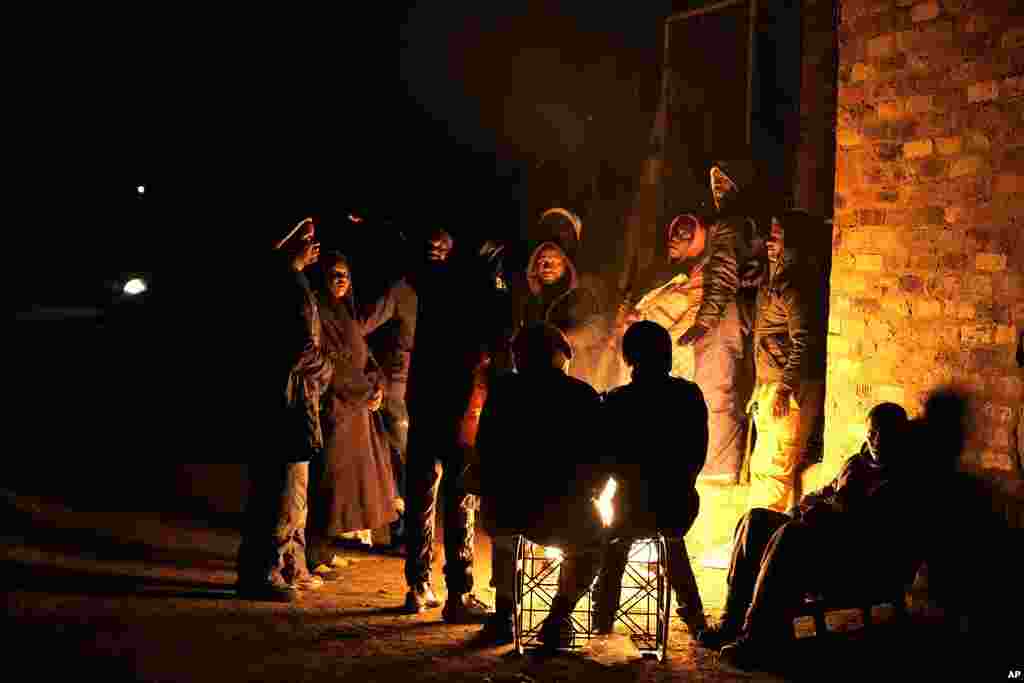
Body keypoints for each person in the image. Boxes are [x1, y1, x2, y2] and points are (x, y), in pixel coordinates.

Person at [697, 403, 917, 673]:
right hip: (823, 536)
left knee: (791, 535)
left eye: (885, 434)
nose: (876, 440)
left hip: (853, 559)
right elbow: (822, 493)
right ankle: (731, 621)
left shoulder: (903, 481)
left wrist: (824, 515)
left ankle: (757, 638)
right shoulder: (858, 462)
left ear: (899, 435)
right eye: (872, 433)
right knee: (754, 521)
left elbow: (867, 527)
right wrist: (803, 510)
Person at [402, 228, 509, 622]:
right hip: (462, 404)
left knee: (421, 493)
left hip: (424, 398)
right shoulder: (484, 284)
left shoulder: (432, 278)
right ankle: (459, 594)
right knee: (461, 497)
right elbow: (494, 344)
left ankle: (417, 585)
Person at [475, 322, 603, 644]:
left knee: (504, 537)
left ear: (520, 357)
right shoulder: (583, 395)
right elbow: (600, 459)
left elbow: (486, 450)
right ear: (561, 356)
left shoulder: (503, 392)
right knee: (593, 545)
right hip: (565, 515)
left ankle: (504, 614)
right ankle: (558, 618)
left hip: (508, 509)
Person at [235, 217, 334, 602]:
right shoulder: (284, 285)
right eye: (306, 239)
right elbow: (297, 348)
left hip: (292, 399)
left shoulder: (291, 283)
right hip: (285, 403)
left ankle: (290, 564)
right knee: (280, 489)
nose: (314, 245)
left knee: (293, 489)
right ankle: (265, 571)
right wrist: (325, 369)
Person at [591, 321, 709, 636]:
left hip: (630, 509)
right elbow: (697, 454)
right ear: (667, 355)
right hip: (678, 506)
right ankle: (695, 617)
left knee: (615, 546)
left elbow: (606, 461)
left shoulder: (617, 401)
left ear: (629, 358)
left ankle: (601, 620)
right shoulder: (689, 395)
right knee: (671, 538)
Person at [305, 251, 399, 573]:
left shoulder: (346, 308)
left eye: (345, 273)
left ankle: (325, 551)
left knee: (343, 487)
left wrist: (378, 385)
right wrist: (364, 390)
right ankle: (313, 552)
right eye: (334, 273)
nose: (340, 279)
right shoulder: (320, 308)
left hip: (355, 408)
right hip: (337, 407)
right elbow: (332, 360)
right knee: (328, 483)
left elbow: (364, 353)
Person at [745, 210, 827, 513]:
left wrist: (783, 387)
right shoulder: (778, 281)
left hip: (787, 390)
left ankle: (760, 541)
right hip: (773, 386)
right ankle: (758, 535)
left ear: (793, 243)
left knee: (773, 467)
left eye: (777, 236)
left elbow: (804, 341)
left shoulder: (794, 285)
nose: (769, 241)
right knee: (767, 465)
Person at [364, 274, 417, 550]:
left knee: (419, 462)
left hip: (434, 386)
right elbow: (363, 324)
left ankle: (415, 533)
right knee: (403, 458)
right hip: (402, 385)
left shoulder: (449, 286)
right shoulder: (402, 290)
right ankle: (402, 531)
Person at [518, 214, 603, 383]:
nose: (547, 266)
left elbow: (597, 329)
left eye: (554, 261)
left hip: (571, 378)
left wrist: (564, 338)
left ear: (565, 266)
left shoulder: (580, 295)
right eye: (542, 261)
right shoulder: (528, 301)